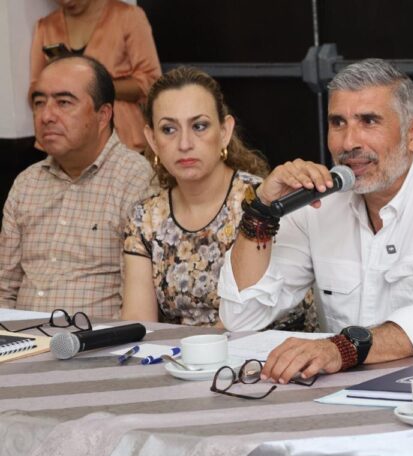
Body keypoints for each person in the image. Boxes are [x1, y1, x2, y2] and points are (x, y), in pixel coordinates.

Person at [218, 58, 413, 383]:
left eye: (369, 121)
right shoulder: (319, 200)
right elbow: (242, 316)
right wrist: (262, 211)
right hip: (342, 391)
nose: (349, 143)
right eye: (338, 123)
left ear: (412, 133)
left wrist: (345, 348)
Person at [121, 66, 315, 329]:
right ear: (152, 140)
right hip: (179, 353)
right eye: (168, 129)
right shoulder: (145, 218)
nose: (185, 144)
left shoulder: (266, 201)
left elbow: (255, 316)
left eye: (199, 126)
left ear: (225, 132)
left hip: (270, 348)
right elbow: (138, 323)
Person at [0, 54, 154, 317]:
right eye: (39, 103)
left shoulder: (135, 179)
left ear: (103, 115)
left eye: (64, 102)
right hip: (22, 338)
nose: (46, 116)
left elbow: (138, 303)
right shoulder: (27, 183)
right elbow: (5, 288)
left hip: (96, 339)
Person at [30, 0, 161, 151]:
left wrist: (96, 86)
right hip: (63, 143)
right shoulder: (46, 26)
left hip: (122, 139)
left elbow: (151, 81)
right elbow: (35, 88)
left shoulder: (127, 16)